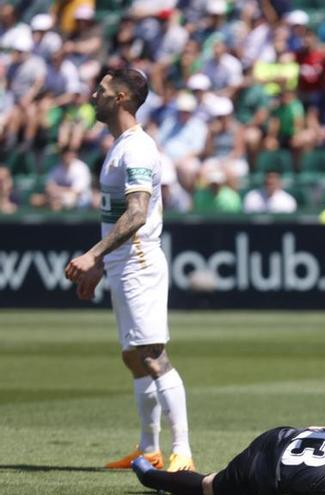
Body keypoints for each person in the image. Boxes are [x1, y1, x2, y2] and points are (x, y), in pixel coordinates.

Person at [63, 68, 195, 472]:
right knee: (133, 357)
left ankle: (183, 453)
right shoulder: (120, 146)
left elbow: (137, 214)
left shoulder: (137, 149)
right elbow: (117, 215)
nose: (92, 96)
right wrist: (102, 262)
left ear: (120, 98)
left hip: (138, 262)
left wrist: (92, 254)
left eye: (100, 90)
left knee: (154, 355)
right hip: (122, 263)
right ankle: (148, 449)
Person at [132, 425, 325, 495]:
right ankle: (147, 474)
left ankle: (145, 469)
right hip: (267, 474)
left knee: (211, 482)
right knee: (209, 489)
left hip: (278, 438)